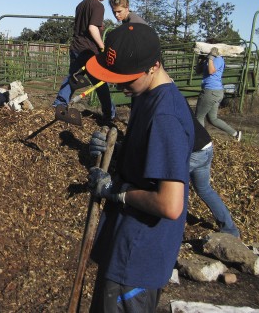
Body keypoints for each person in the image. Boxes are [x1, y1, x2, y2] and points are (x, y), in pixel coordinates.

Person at [85, 23, 194, 312]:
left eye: (126, 79)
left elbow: (170, 204)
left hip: (136, 257)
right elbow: (149, 160)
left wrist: (116, 192)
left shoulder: (165, 117)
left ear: (153, 66)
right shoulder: (146, 96)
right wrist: (117, 151)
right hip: (124, 244)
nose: (120, 86)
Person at [52, 0, 116, 121]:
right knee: (100, 82)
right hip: (88, 51)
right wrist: (102, 46)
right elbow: (92, 28)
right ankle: (109, 113)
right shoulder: (98, 6)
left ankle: (59, 104)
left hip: (76, 47)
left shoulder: (81, 5)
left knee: (73, 77)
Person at [189, 107, 240, 237]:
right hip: (206, 146)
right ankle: (231, 231)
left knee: (171, 185)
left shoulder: (161, 100)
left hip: (193, 151)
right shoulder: (175, 96)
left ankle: (172, 228)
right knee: (204, 189)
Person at [194, 47, 242, 141]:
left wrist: (211, 57)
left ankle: (201, 140)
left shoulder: (218, 58)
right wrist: (200, 60)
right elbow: (198, 71)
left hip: (211, 91)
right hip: (214, 91)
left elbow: (211, 71)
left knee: (198, 117)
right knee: (213, 119)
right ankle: (236, 134)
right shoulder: (208, 58)